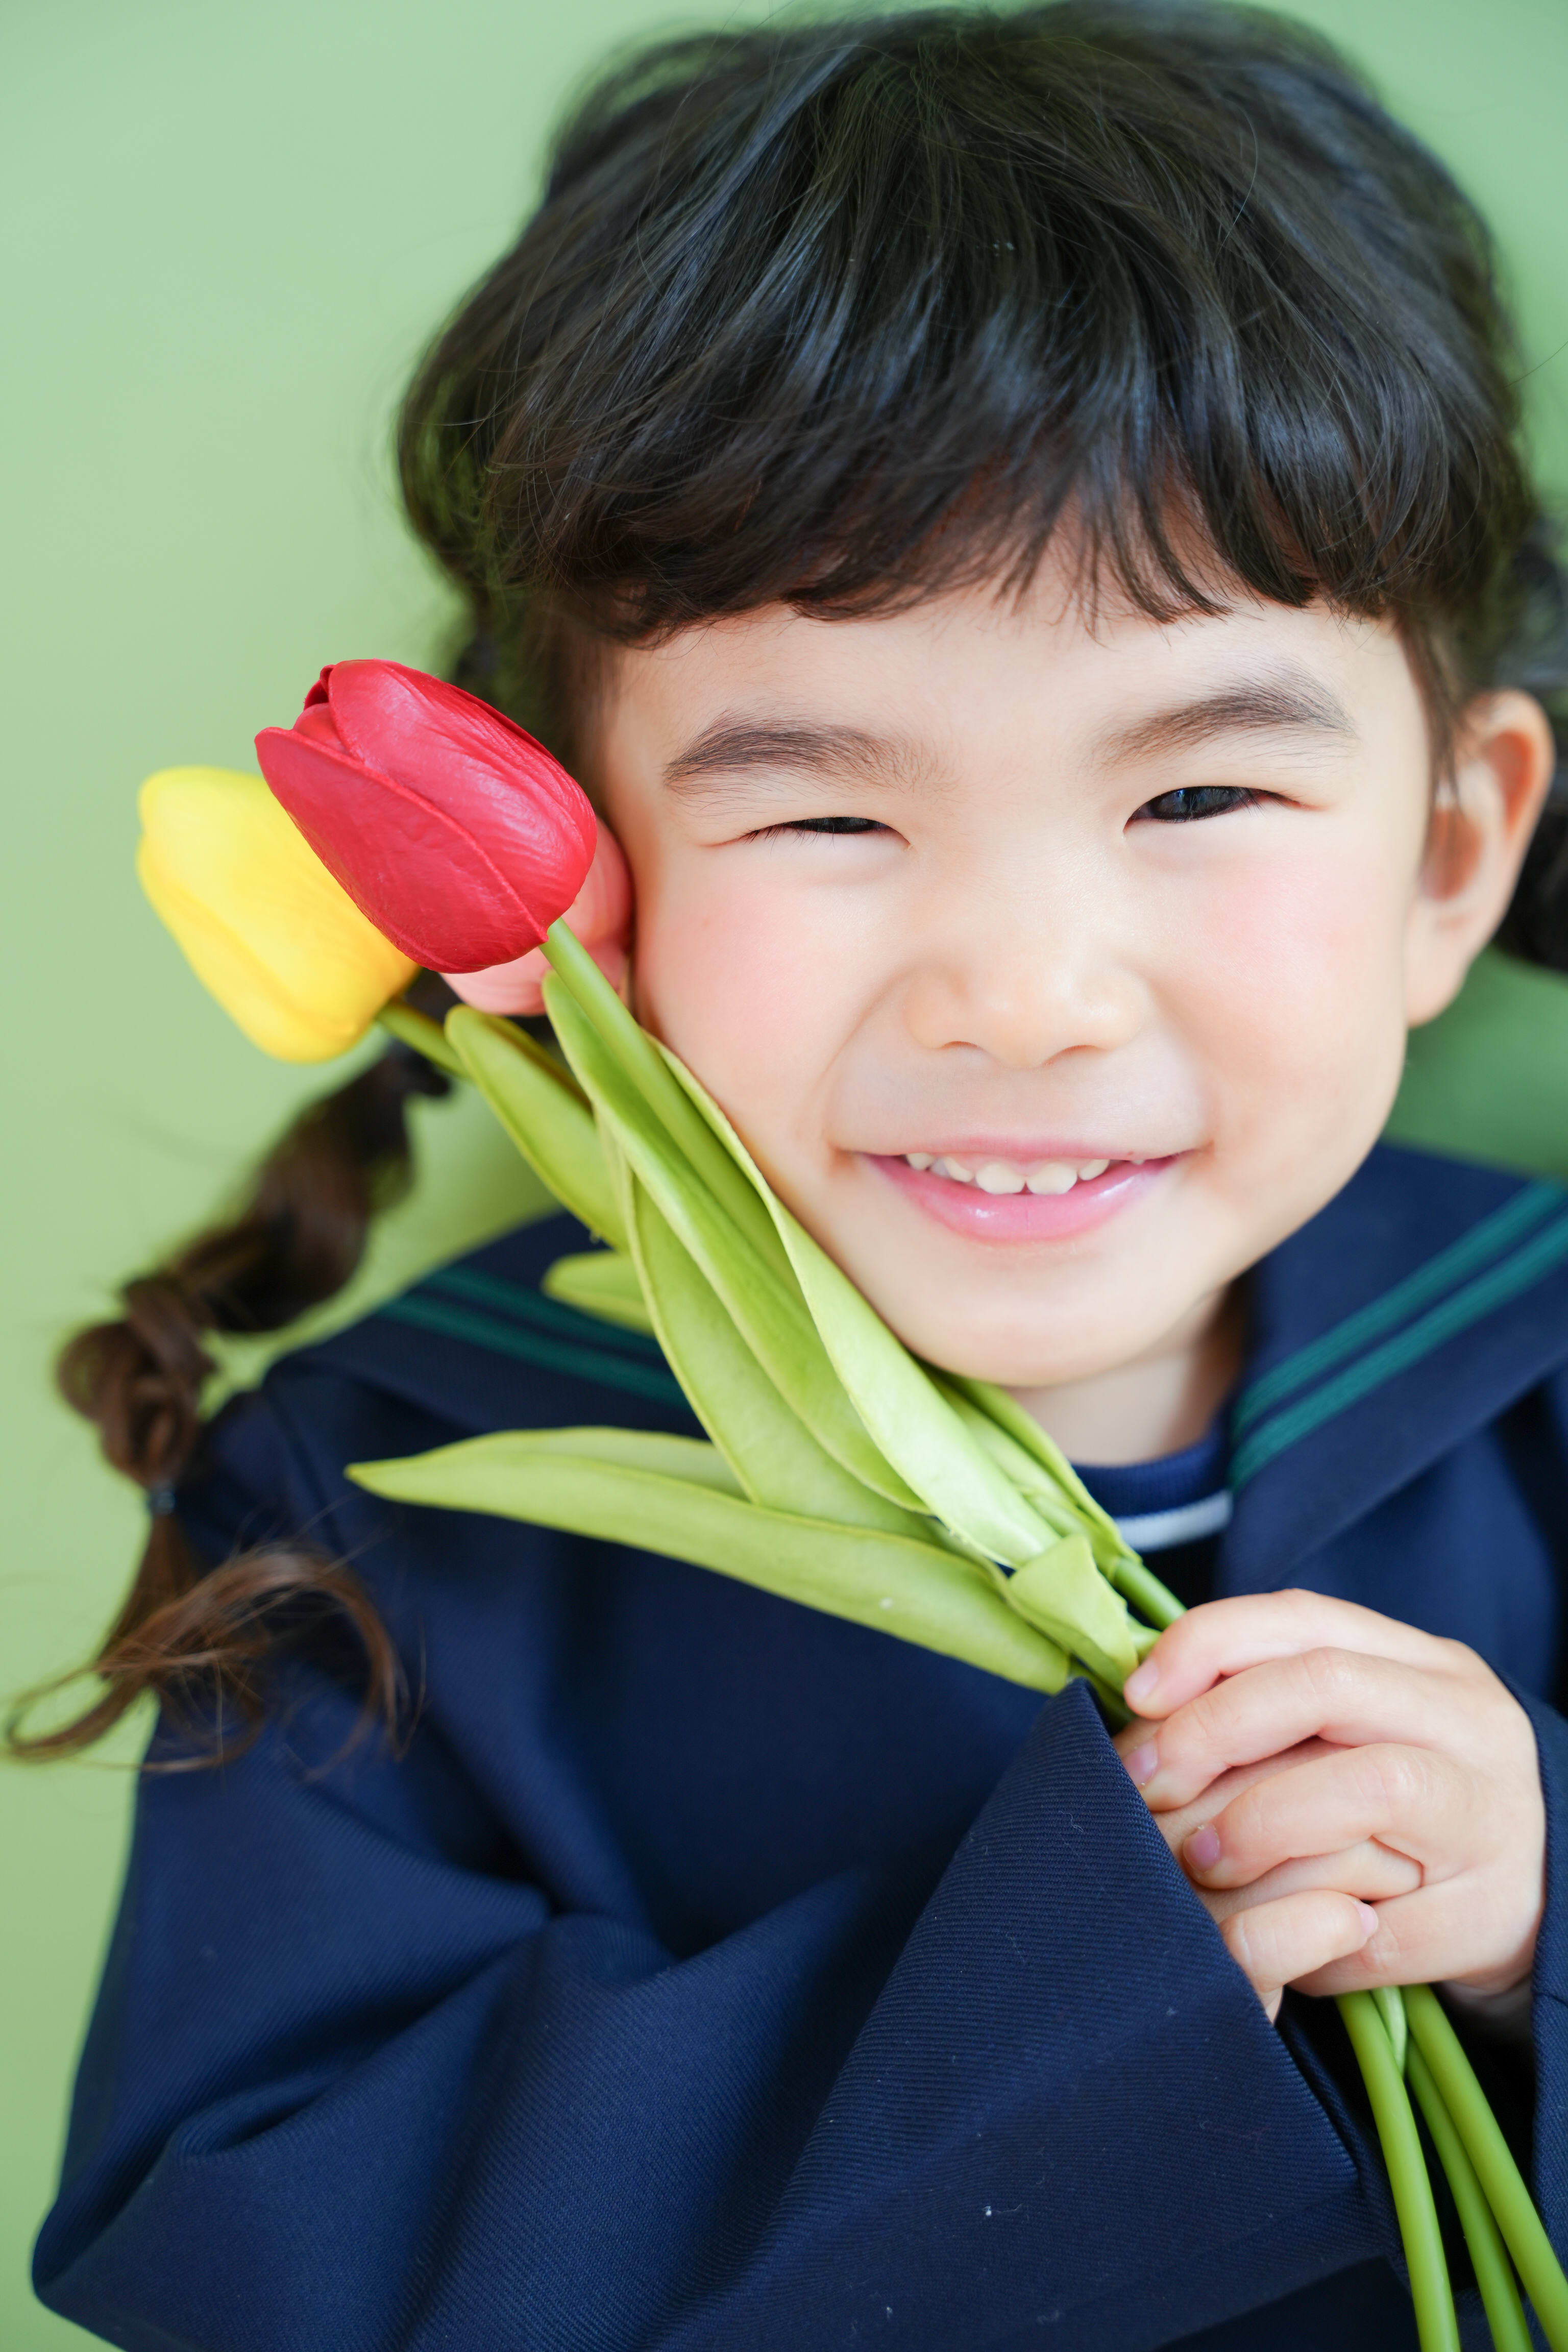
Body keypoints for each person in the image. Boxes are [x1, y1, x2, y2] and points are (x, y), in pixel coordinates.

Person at [20, 5, 1568, 2344]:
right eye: (827, 814)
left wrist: (1545, 1911)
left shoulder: (1547, 1366)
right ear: (582, 884)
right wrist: (1068, 1982)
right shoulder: (386, 1511)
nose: (1025, 995)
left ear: (1452, 849)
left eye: (1198, 798)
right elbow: (249, 2252)